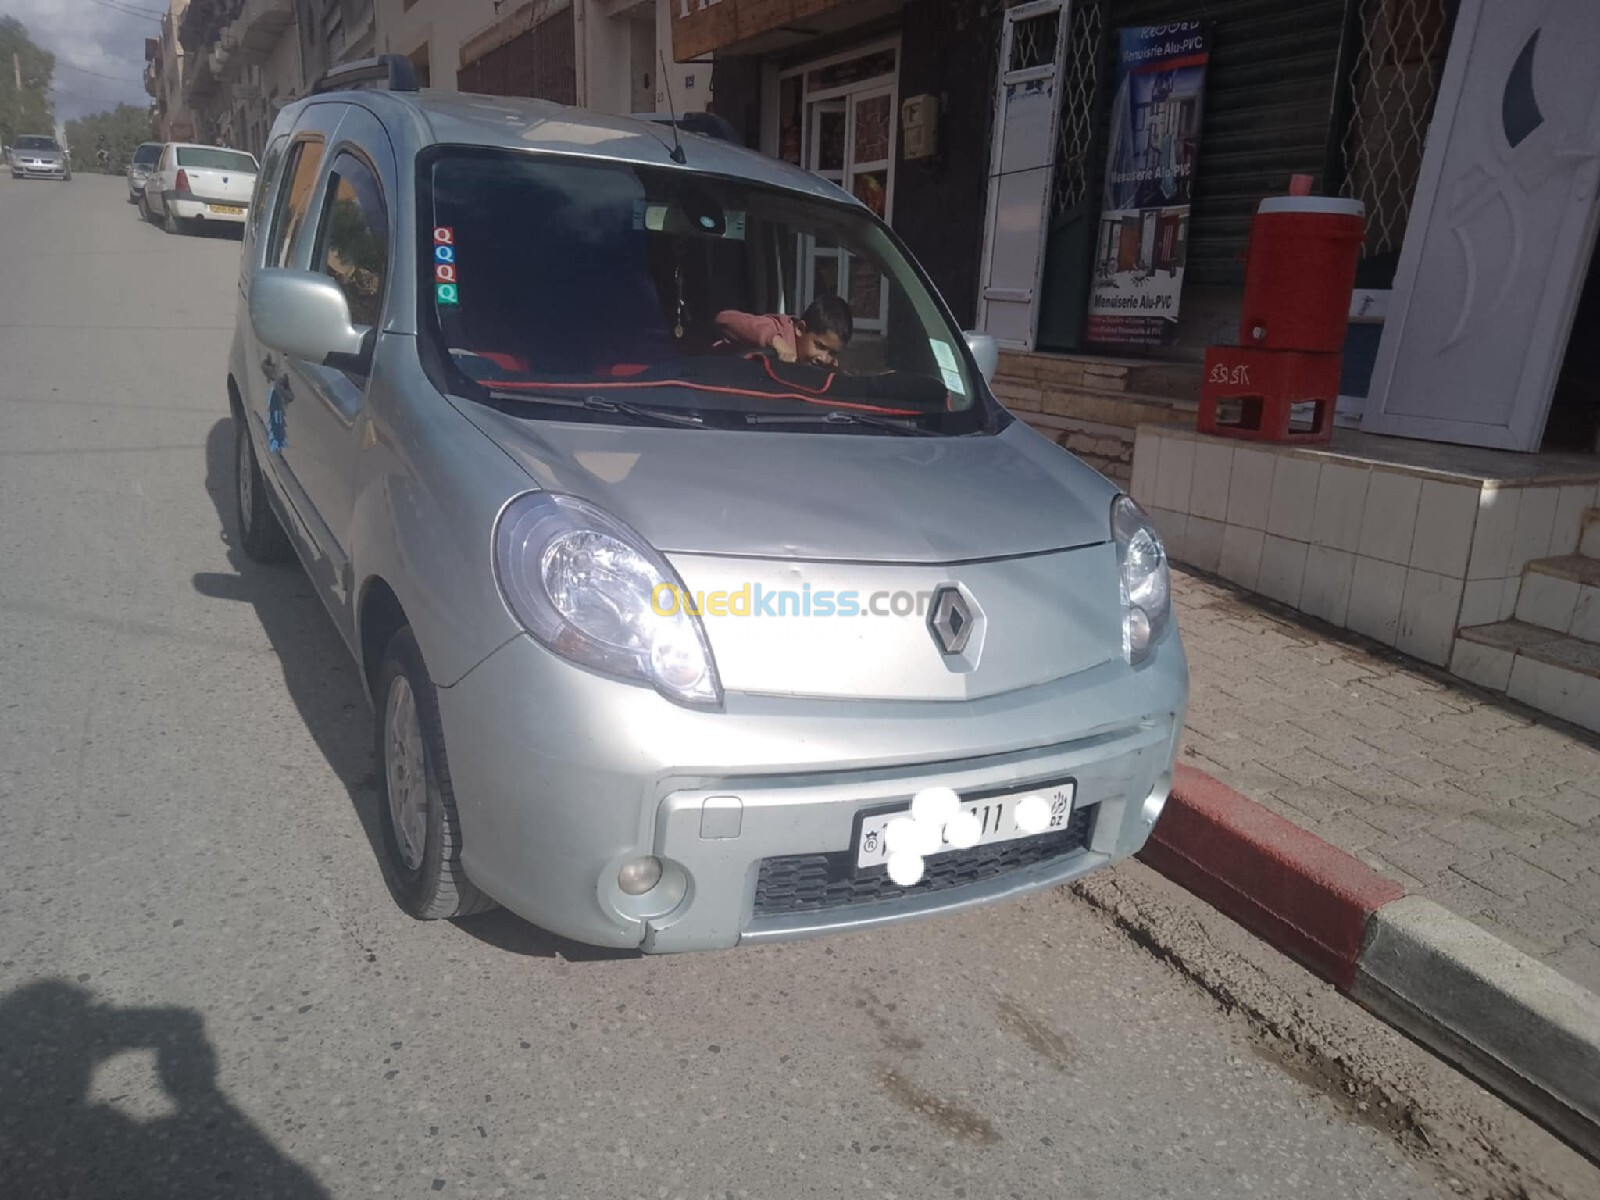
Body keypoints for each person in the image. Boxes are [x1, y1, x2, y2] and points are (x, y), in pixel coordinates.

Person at [713, 294, 853, 367]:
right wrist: (774, 340)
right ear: (800, 329)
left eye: (833, 353)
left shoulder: (827, 364)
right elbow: (725, 319)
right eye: (819, 346)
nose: (824, 358)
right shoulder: (776, 330)